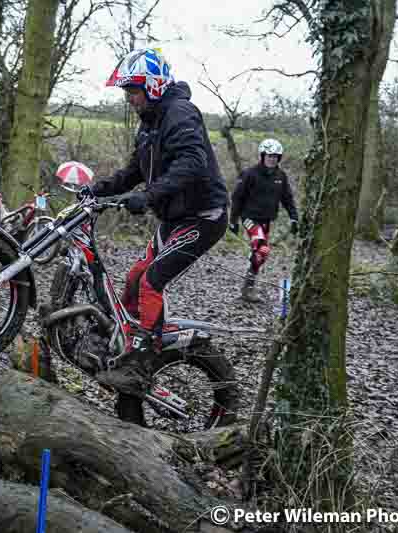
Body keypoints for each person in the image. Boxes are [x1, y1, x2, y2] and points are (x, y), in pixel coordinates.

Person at [86, 48, 229, 396]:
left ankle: (141, 364)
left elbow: (193, 162)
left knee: (151, 282)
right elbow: (135, 170)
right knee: (135, 277)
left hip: (203, 216)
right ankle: (130, 340)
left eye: (133, 90)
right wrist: (98, 189)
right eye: (127, 92)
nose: (129, 99)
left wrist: (148, 197)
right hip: (176, 217)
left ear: (153, 86)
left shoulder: (179, 113)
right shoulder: (149, 123)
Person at [229, 138, 299, 302]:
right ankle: (249, 288)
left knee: (260, 256)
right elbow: (237, 198)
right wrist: (233, 220)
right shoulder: (250, 174)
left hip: (266, 221)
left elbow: (287, 198)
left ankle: (247, 289)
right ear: (262, 156)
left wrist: (294, 218)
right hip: (249, 218)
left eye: (275, 156)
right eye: (269, 156)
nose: (272, 159)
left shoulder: (281, 176)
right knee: (263, 250)